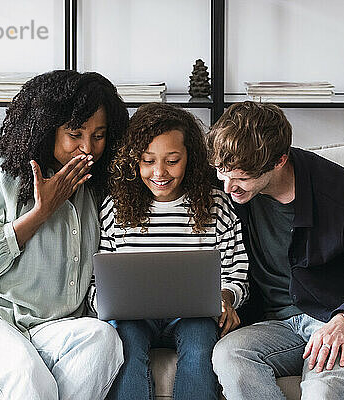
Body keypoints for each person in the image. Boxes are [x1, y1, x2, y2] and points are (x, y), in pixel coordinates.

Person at [0, 70, 130, 399]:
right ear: (47, 127)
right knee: (24, 373)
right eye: (75, 134)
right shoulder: (1, 173)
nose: (87, 148)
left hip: (51, 327)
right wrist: (41, 212)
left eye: (99, 135)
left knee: (103, 341)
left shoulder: (98, 187)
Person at [209, 101, 344, 400]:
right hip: (275, 325)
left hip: (343, 321)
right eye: (222, 174)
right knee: (229, 355)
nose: (228, 188)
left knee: (323, 390)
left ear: (279, 161)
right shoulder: (232, 195)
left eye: (241, 178)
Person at [91, 103, 249, 400]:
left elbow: (236, 272)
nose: (159, 172)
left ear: (190, 157)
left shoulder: (216, 205)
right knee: (125, 339)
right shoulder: (114, 208)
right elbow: (98, 280)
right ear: (133, 161)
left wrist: (227, 299)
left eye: (172, 160)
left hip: (194, 317)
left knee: (201, 339)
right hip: (133, 319)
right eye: (148, 161)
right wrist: (105, 305)